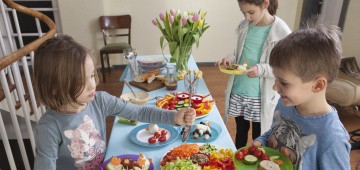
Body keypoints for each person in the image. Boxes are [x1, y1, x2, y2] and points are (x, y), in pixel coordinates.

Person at [32, 34, 196, 169]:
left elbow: (140, 111)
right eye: (81, 81)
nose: (93, 84)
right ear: (55, 88)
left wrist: (173, 117)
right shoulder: (48, 127)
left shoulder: (99, 100)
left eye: (91, 75)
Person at [253, 22, 351, 169]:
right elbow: (274, 133)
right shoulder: (285, 104)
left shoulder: (332, 139)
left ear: (317, 85)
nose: (275, 87)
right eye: (276, 79)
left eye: (284, 83)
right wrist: (261, 141)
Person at [216, 0, 291, 149]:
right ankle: (238, 157)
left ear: (265, 4)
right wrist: (230, 59)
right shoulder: (244, 25)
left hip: (259, 97)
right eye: (243, 13)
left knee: (260, 136)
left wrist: (260, 69)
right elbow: (239, 55)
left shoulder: (281, 31)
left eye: (251, 12)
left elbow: (284, 68)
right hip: (239, 90)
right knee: (241, 131)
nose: (247, 17)